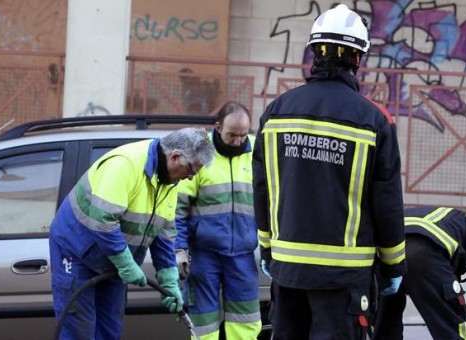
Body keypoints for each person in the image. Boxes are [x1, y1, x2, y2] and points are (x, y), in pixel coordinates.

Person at [252, 4, 407, 339]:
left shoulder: (276, 112)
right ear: (357, 58)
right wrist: (394, 265)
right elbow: (387, 201)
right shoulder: (374, 120)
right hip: (343, 279)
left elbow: (262, 187)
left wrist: (267, 249)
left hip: (287, 270)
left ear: (314, 52)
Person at [49, 127, 214, 339]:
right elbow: (102, 220)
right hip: (76, 250)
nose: (190, 178)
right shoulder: (124, 165)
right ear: (174, 157)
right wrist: (127, 264)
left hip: (114, 258)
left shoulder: (170, 181)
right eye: (191, 171)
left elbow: (163, 231)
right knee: (79, 330)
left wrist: (169, 279)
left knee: (110, 330)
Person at [175, 101, 262, 339]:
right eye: (232, 134)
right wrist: (179, 249)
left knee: (245, 325)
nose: (238, 140)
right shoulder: (199, 154)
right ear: (217, 126)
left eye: (243, 134)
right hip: (205, 256)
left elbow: (271, 200)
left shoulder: (257, 151)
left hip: (243, 257)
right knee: (204, 327)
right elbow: (178, 208)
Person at [373, 206, 466, 340]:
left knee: (383, 330)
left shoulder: (442, 220)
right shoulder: (465, 224)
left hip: (384, 256)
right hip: (424, 254)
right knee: (454, 332)